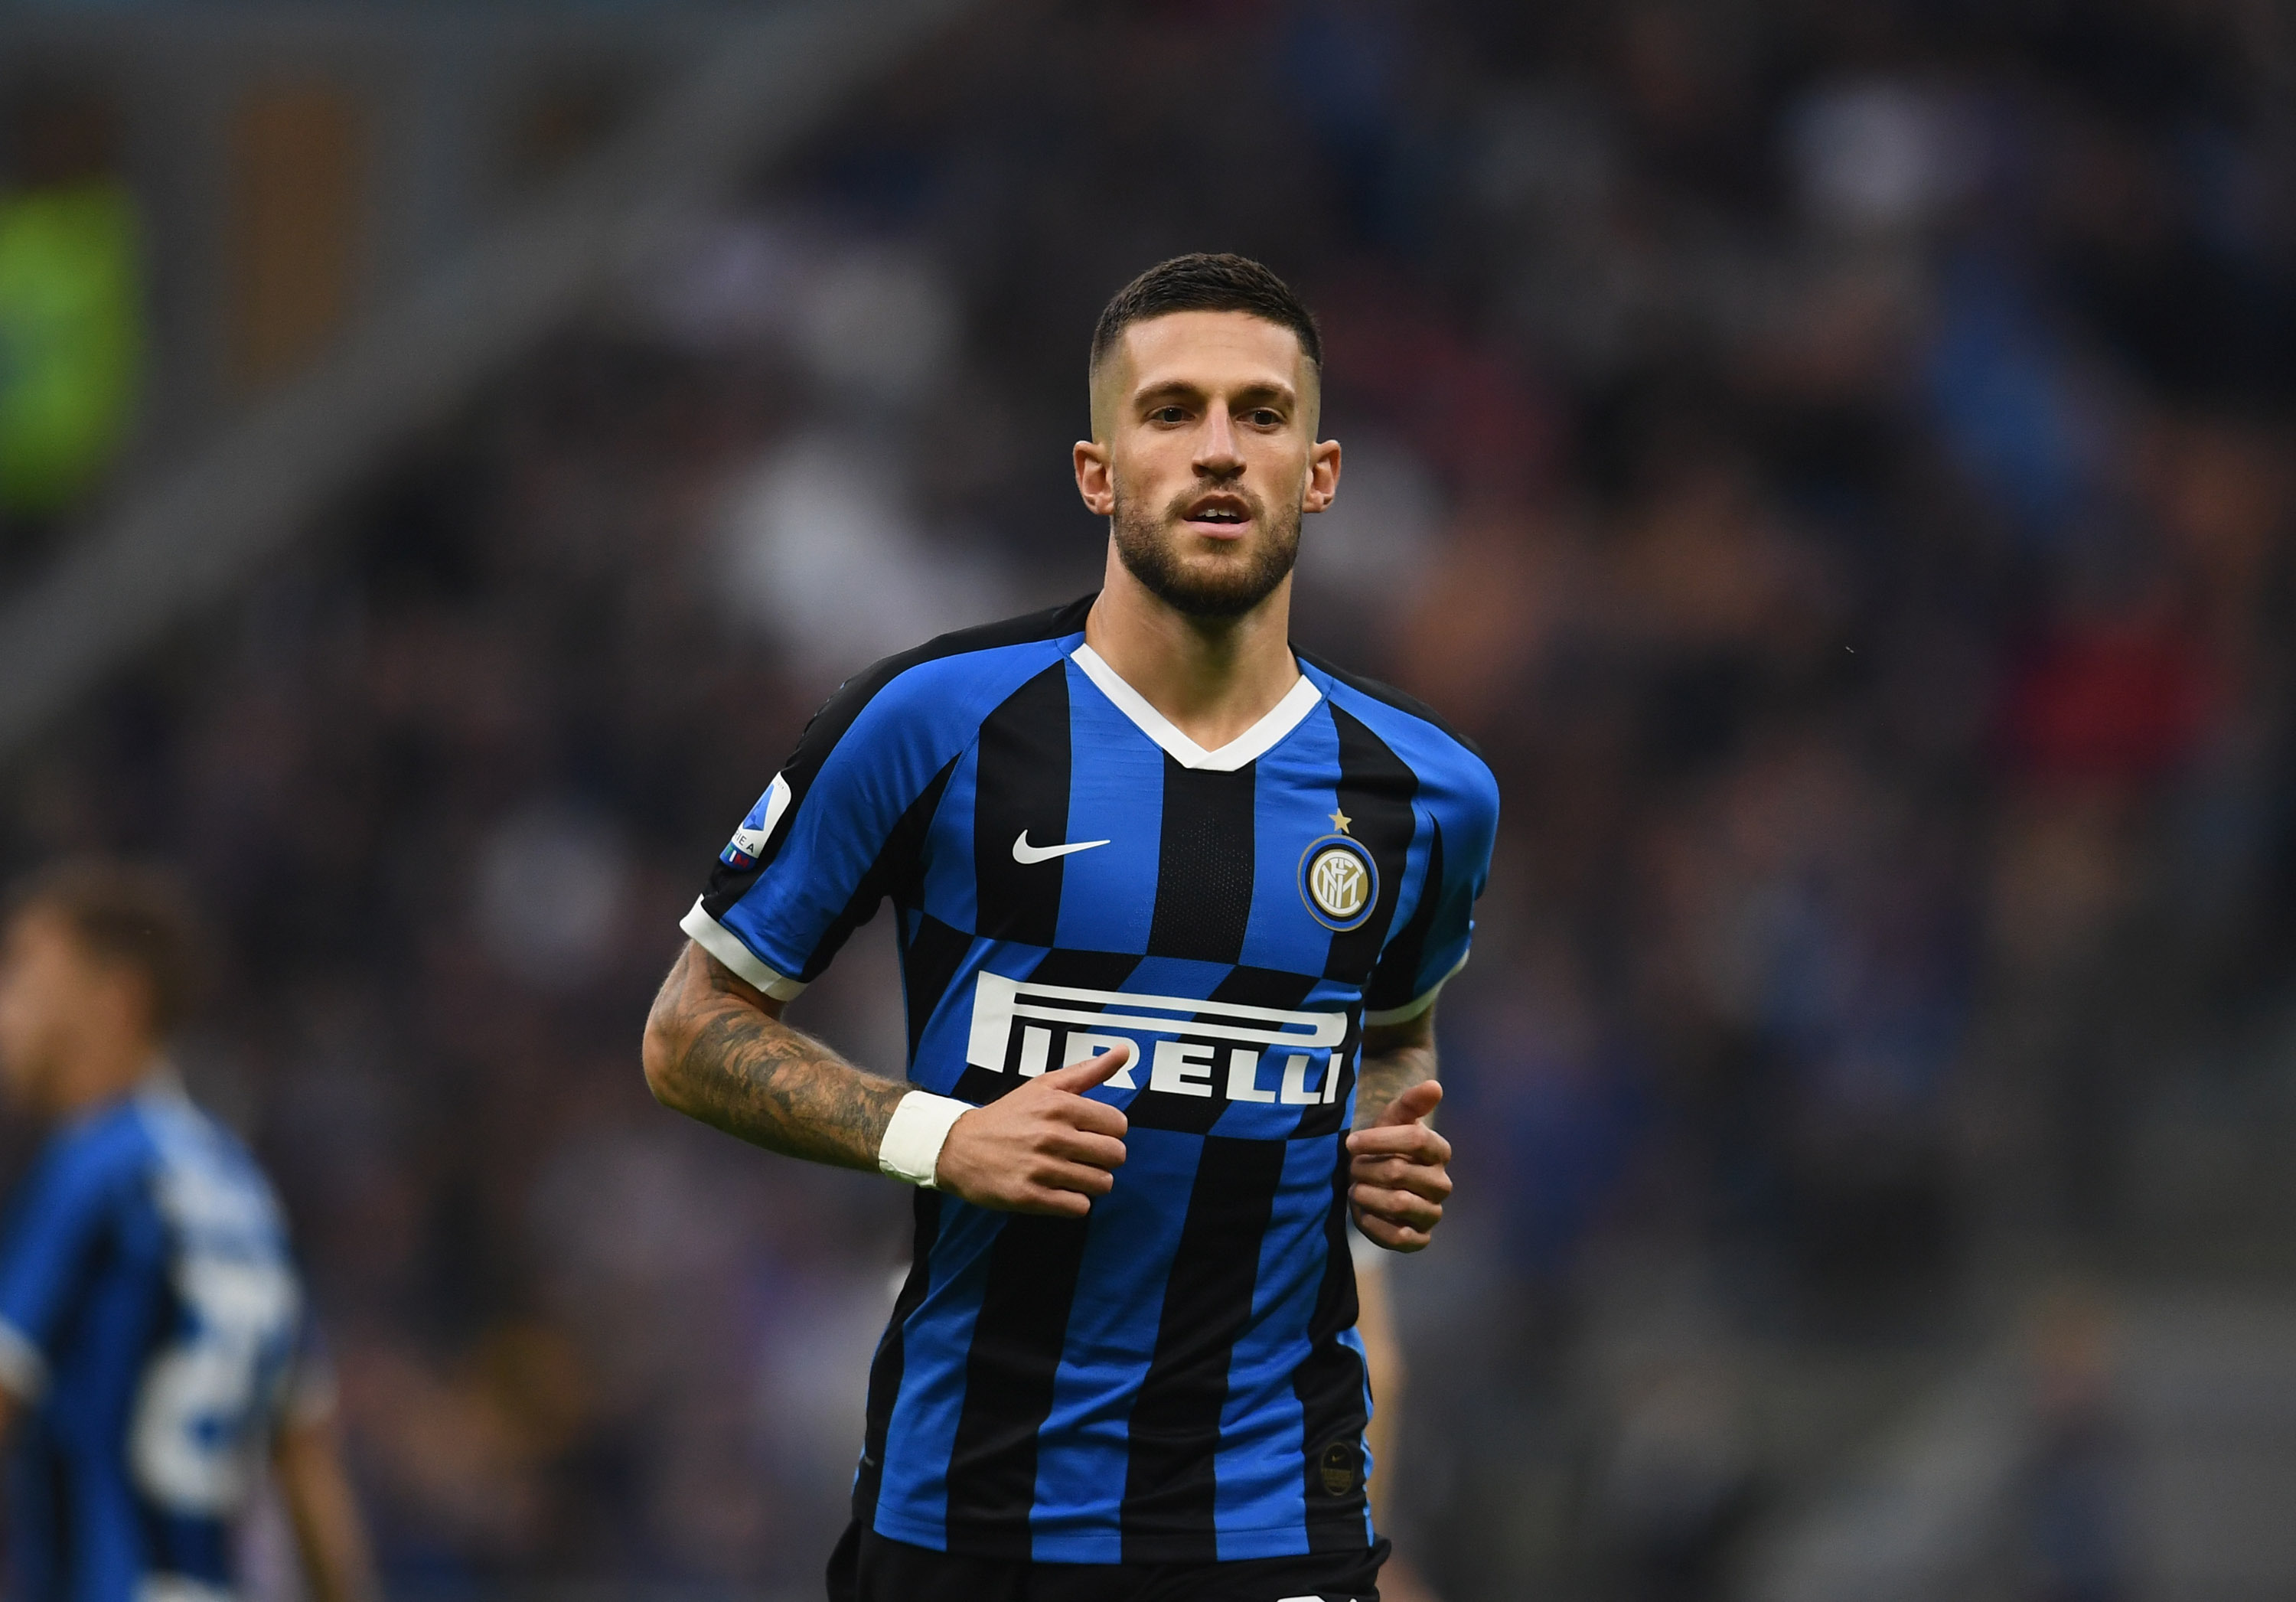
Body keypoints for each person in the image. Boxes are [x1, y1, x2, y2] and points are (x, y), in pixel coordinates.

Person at [644, 253, 1499, 1602]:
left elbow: (1393, 1036)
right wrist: (941, 1136)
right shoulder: (933, 722)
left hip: (1274, 1520)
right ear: (1099, 472)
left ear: (1320, 472)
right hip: (972, 1512)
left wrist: (1386, 1141)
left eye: (1261, 414)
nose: (1218, 449)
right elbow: (690, 1029)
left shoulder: (1430, 792)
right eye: (1171, 411)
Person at [0, 862, 378, 1602]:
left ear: (116, 999)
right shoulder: (243, 1189)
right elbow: (309, 1462)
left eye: (23, 973)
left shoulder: (97, 1172)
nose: (6, 1009)